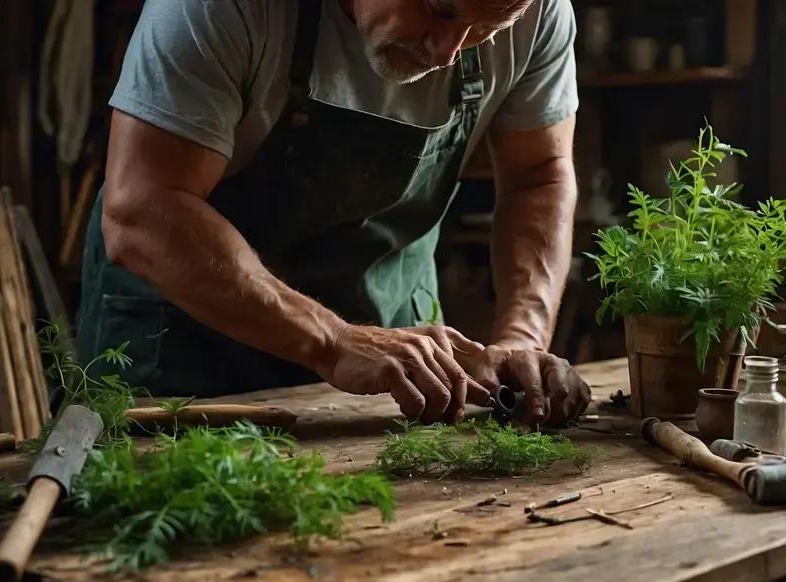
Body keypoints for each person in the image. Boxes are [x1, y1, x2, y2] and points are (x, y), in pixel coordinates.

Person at [77, 0, 592, 425]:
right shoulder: (221, 8)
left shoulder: (537, 12)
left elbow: (538, 176)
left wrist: (521, 340)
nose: (448, 51)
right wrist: (333, 340)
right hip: (185, 349)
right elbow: (143, 210)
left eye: (484, 31)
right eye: (439, 10)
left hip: (393, 369)